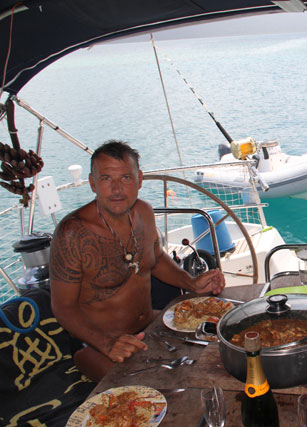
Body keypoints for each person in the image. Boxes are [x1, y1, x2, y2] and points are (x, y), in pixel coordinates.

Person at [50, 140, 226, 381]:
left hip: (150, 325)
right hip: (98, 344)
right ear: (92, 183)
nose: (117, 189)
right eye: (106, 179)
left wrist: (191, 283)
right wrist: (107, 343)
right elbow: (63, 307)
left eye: (125, 178)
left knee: (219, 351)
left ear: (139, 179)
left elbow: (155, 259)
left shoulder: (144, 212)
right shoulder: (72, 233)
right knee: (147, 390)